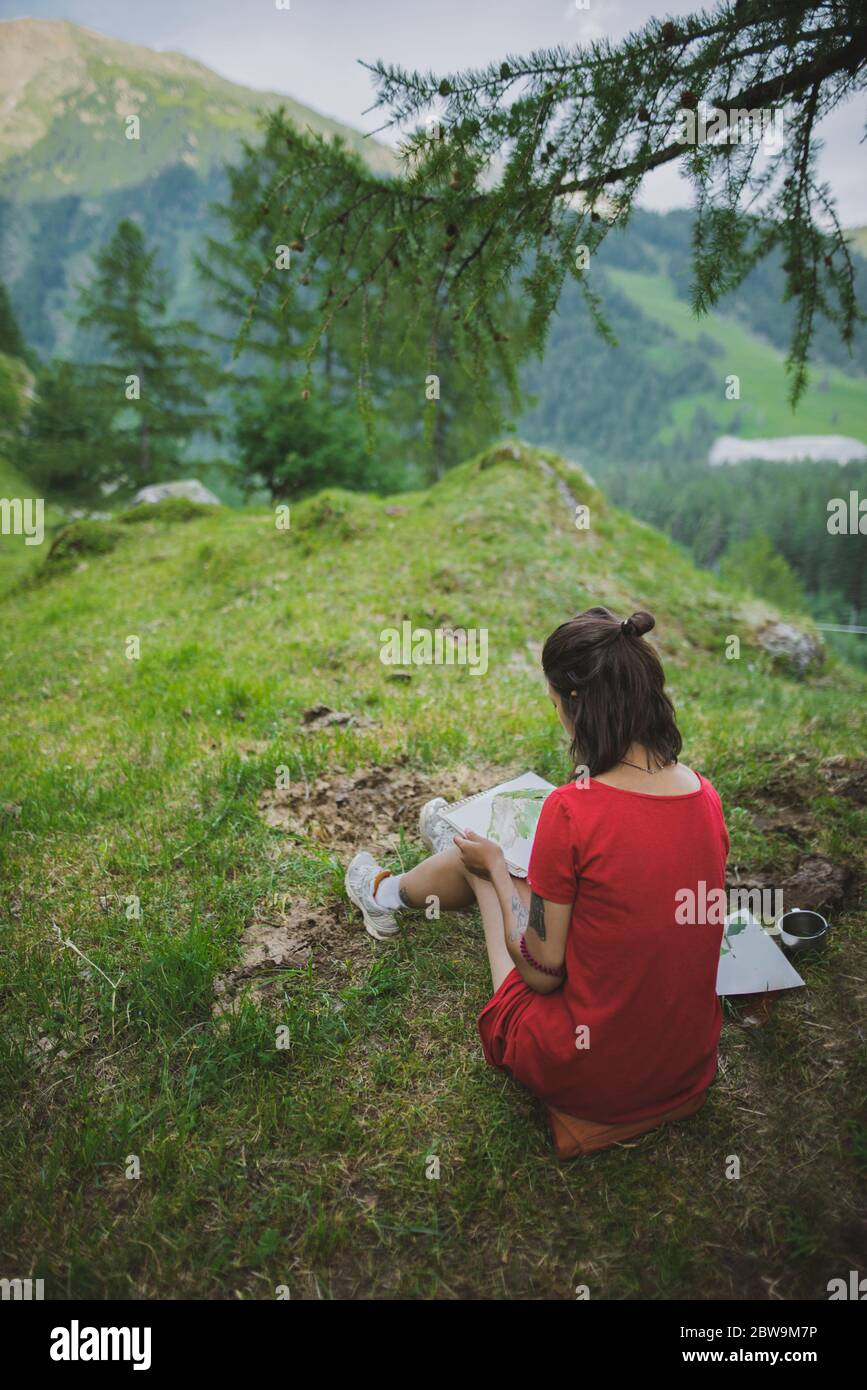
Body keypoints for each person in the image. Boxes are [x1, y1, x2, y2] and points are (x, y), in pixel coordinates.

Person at [346, 606, 729, 1125]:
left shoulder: (573, 810)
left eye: (555, 705)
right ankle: (426, 863)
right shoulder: (704, 795)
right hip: (684, 1065)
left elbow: (543, 972)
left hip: (591, 1070)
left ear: (579, 706)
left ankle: (392, 890)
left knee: (488, 869)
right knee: (521, 872)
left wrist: (499, 873)